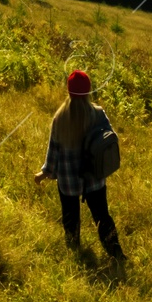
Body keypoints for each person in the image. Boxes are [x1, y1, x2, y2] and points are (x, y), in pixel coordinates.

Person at [33, 70, 124, 259]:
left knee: (70, 217)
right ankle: (116, 253)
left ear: (69, 91)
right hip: (94, 178)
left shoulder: (60, 118)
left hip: (68, 180)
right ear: (89, 90)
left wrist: (45, 173)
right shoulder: (98, 114)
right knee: (102, 216)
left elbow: (53, 151)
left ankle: (75, 251)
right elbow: (109, 141)